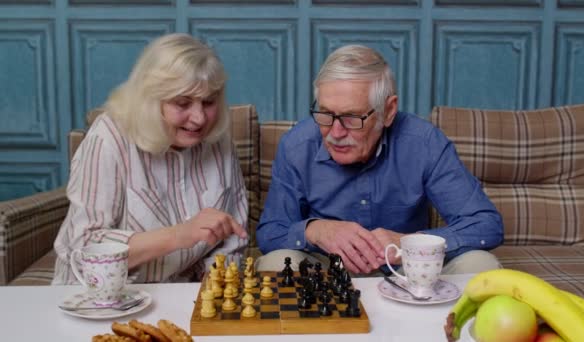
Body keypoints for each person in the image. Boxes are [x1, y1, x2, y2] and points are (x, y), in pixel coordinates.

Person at [255, 45, 504, 275]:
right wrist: (315, 230)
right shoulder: (297, 146)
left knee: (481, 265)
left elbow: (486, 225)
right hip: (326, 276)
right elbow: (270, 233)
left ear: (388, 111)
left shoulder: (424, 142)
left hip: (409, 268)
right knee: (277, 264)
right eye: (326, 114)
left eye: (352, 117)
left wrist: (410, 243)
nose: (336, 133)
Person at [52, 33, 248, 284]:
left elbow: (232, 237)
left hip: (180, 296)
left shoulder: (218, 139)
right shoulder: (109, 137)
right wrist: (178, 235)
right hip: (103, 297)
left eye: (208, 102)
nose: (199, 118)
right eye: (182, 103)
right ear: (151, 100)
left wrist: (215, 280)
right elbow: (82, 247)